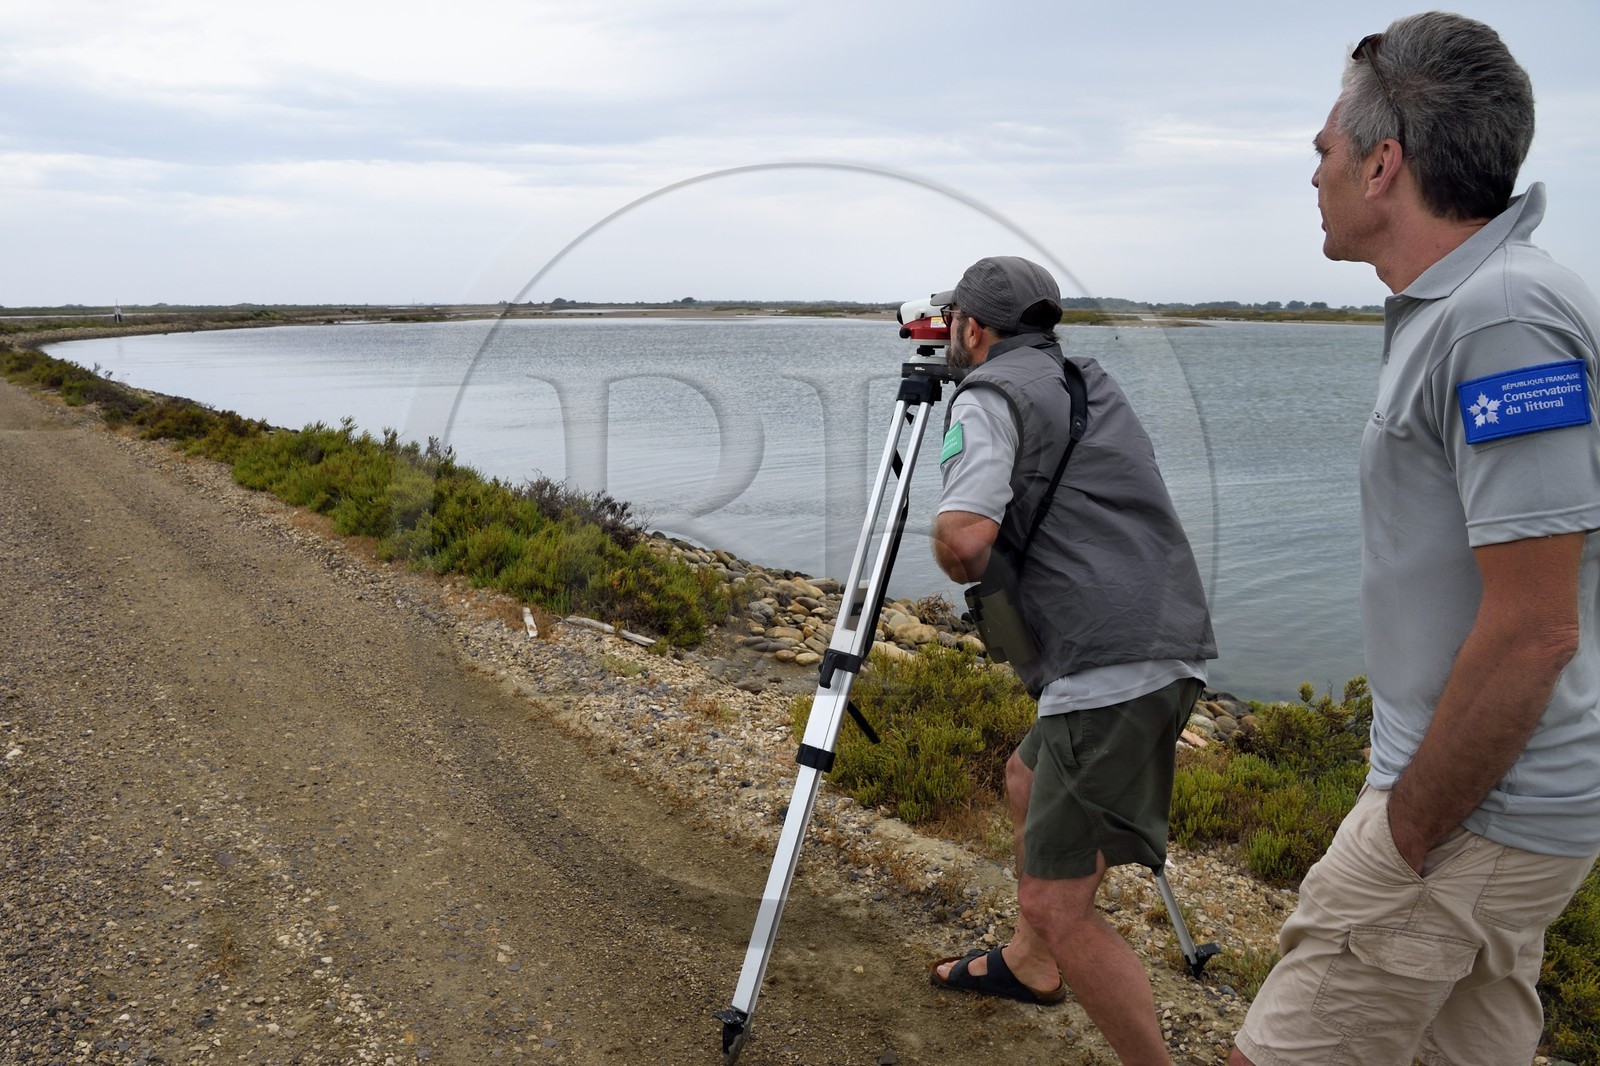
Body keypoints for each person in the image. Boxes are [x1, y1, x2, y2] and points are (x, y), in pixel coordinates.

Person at [1231, 13, 1600, 1066]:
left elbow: (1534, 629)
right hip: (1488, 808)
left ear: (1382, 162)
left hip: (1469, 817)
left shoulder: (1499, 321)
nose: (1314, 173)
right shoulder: (1466, 309)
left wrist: (1402, 833)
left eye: (1324, 151)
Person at [927, 255, 1216, 1065]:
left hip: (1107, 666)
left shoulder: (987, 394)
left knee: (1058, 903)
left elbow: (964, 538)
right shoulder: (1087, 380)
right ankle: (1030, 964)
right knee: (1026, 776)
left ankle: (1057, 951)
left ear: (972, 330)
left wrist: (955, 553)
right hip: (1169, 632)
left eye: (954, 323)